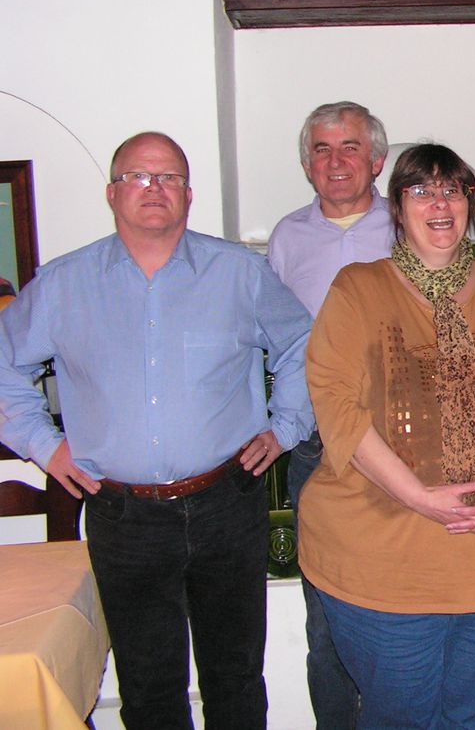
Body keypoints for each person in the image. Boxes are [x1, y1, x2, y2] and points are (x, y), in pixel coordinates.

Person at [0, 132, 314, 729]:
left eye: (169, 177)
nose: (154, 188)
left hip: (227, 505)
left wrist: (285, 427)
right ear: (112, 193)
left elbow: (303, 345)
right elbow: (3, 366)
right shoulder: (64, 284)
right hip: (123, 516)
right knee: (148, 689)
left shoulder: (239, 274)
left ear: (188, 195)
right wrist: (45, 447)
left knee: (235, 678)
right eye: (138, 177)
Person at [298, 143, 475, 728]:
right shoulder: (357, 290)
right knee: (402, 718)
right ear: (397, 208)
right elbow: (338, 408)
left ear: (469, 202)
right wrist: (420, 498)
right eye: (421, 191)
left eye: (452, 189)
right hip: (387, 563)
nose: (440, 203)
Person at [268, 100, 393, 729]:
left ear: (377, 161)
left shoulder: (411, 224)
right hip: (317, 449)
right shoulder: (286, 238)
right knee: (327, 613)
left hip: (402, 445)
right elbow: (275, 342)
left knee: (406, 602)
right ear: (306, 164)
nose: (335, 161)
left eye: (350, 147)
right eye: (321, 149)